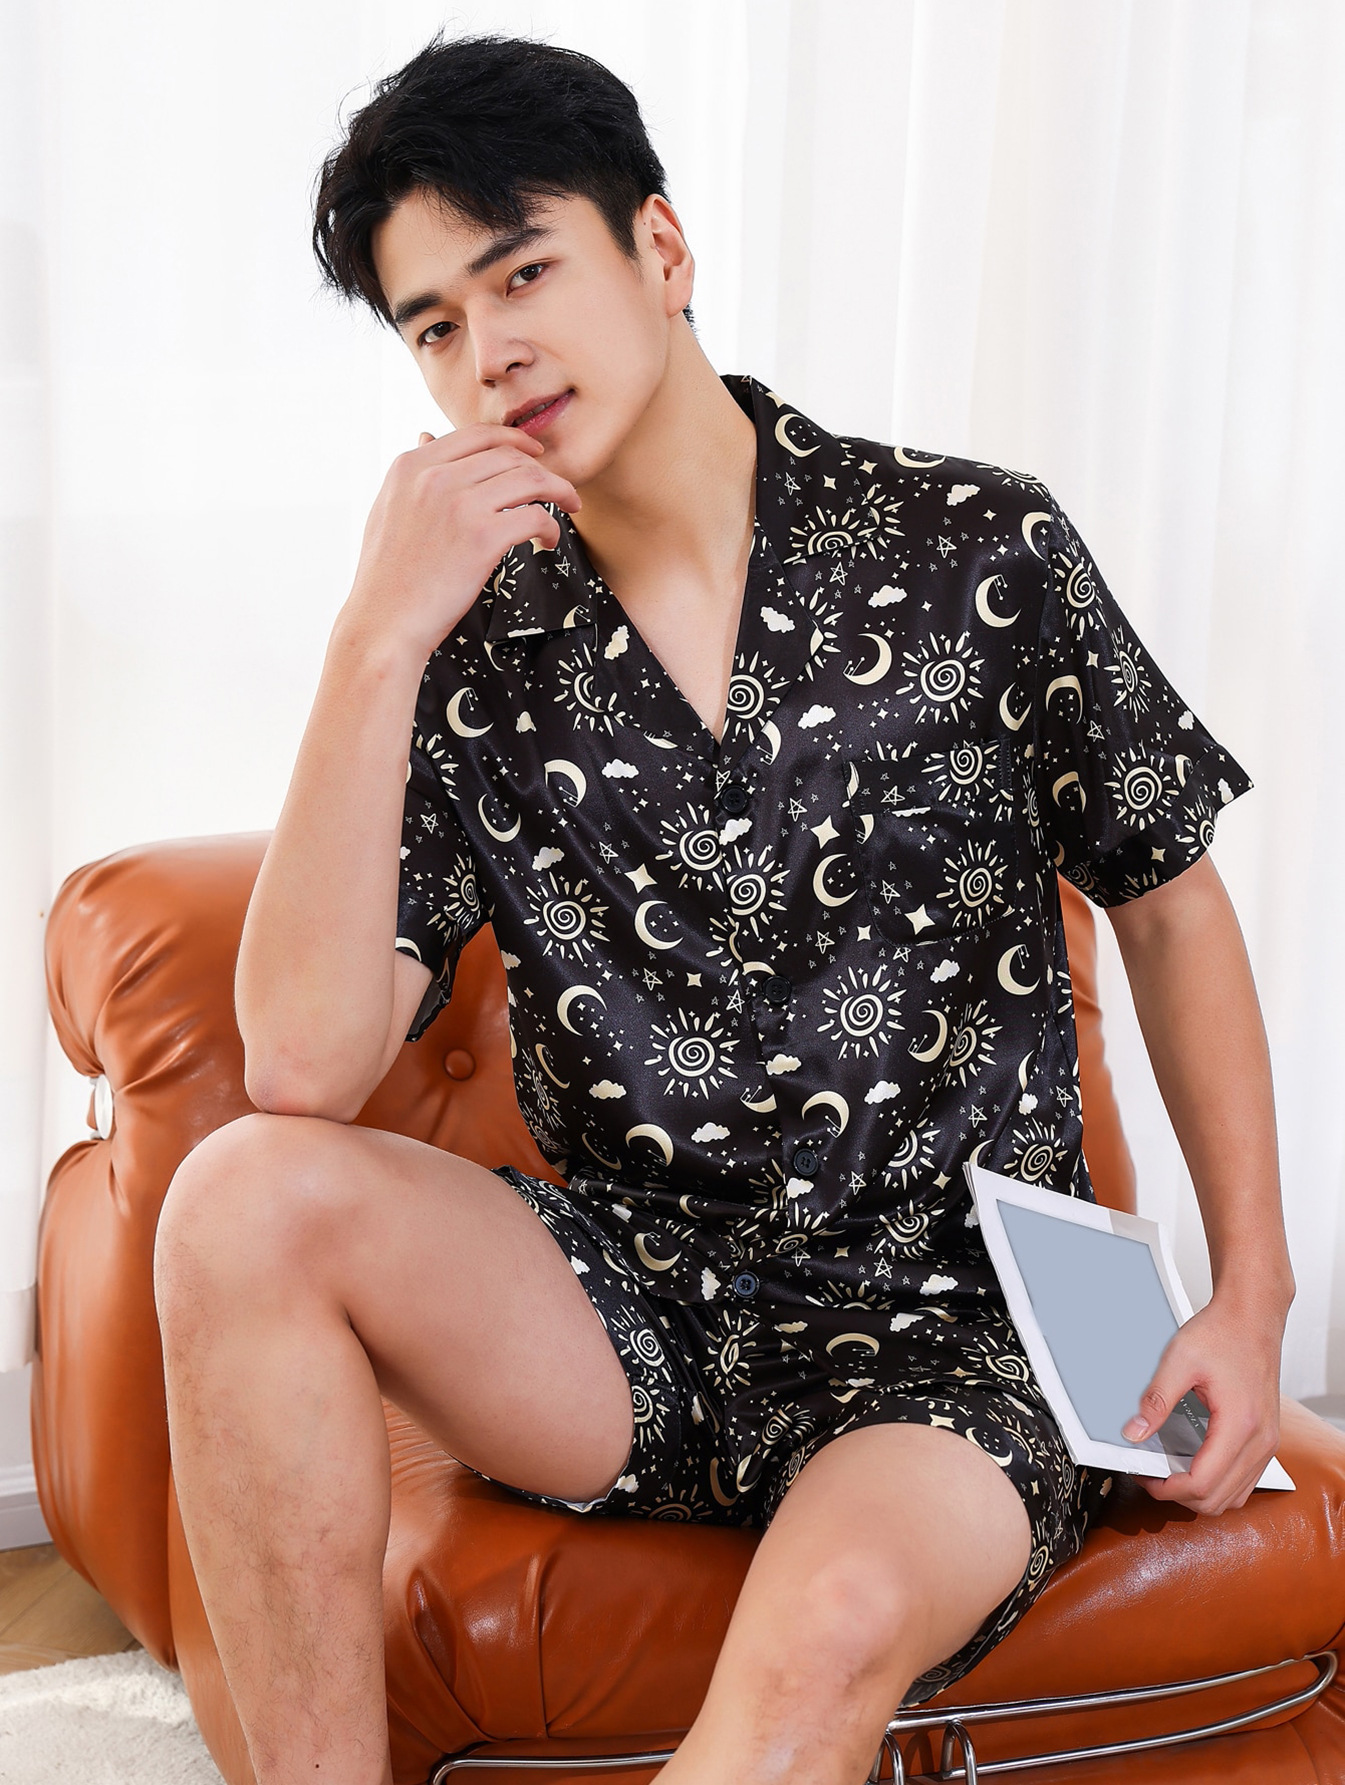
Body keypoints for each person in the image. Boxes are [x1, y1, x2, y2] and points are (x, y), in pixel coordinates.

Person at [152, 31, 1295, 1785]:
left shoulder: (976, 550)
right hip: (629, 1309)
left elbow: (1169, 904)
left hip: (954, 1327)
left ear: (661, 249)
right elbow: (301, 1066)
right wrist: (371, 637)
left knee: (831, 1622)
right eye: (433, 327)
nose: (487, 352)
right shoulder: (464, 648)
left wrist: (1250, 1294)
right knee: (237, 1197)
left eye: (521, 273)